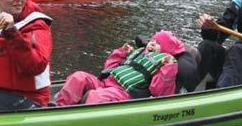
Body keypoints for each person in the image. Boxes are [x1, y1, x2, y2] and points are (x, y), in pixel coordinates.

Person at [54, 30, 188, 106]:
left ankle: (76, 116)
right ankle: (60, 106)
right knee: (78, 76)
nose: (152, 43)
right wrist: (120, 53)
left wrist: (168, 69)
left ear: (165, 51)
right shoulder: (138, 53)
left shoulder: (165, 64)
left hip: (123, 93)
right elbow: (109, 69)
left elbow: (160, 92)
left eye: (158, 43)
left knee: (96, 96)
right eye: (152, 40)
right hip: (104, 83)